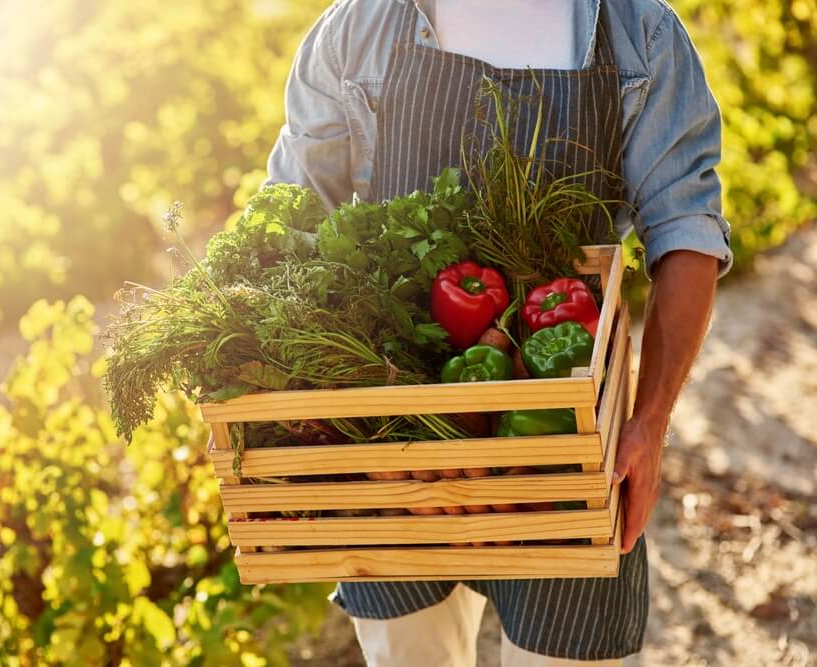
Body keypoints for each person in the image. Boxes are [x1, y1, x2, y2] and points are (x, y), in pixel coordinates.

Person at [264, 0, 732, 664]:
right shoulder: (356, 31)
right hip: (400, 450)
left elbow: (687, 230)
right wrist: (345, 429)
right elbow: (291, 222)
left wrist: (649, 421)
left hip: (561, 450)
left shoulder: (639, 34)